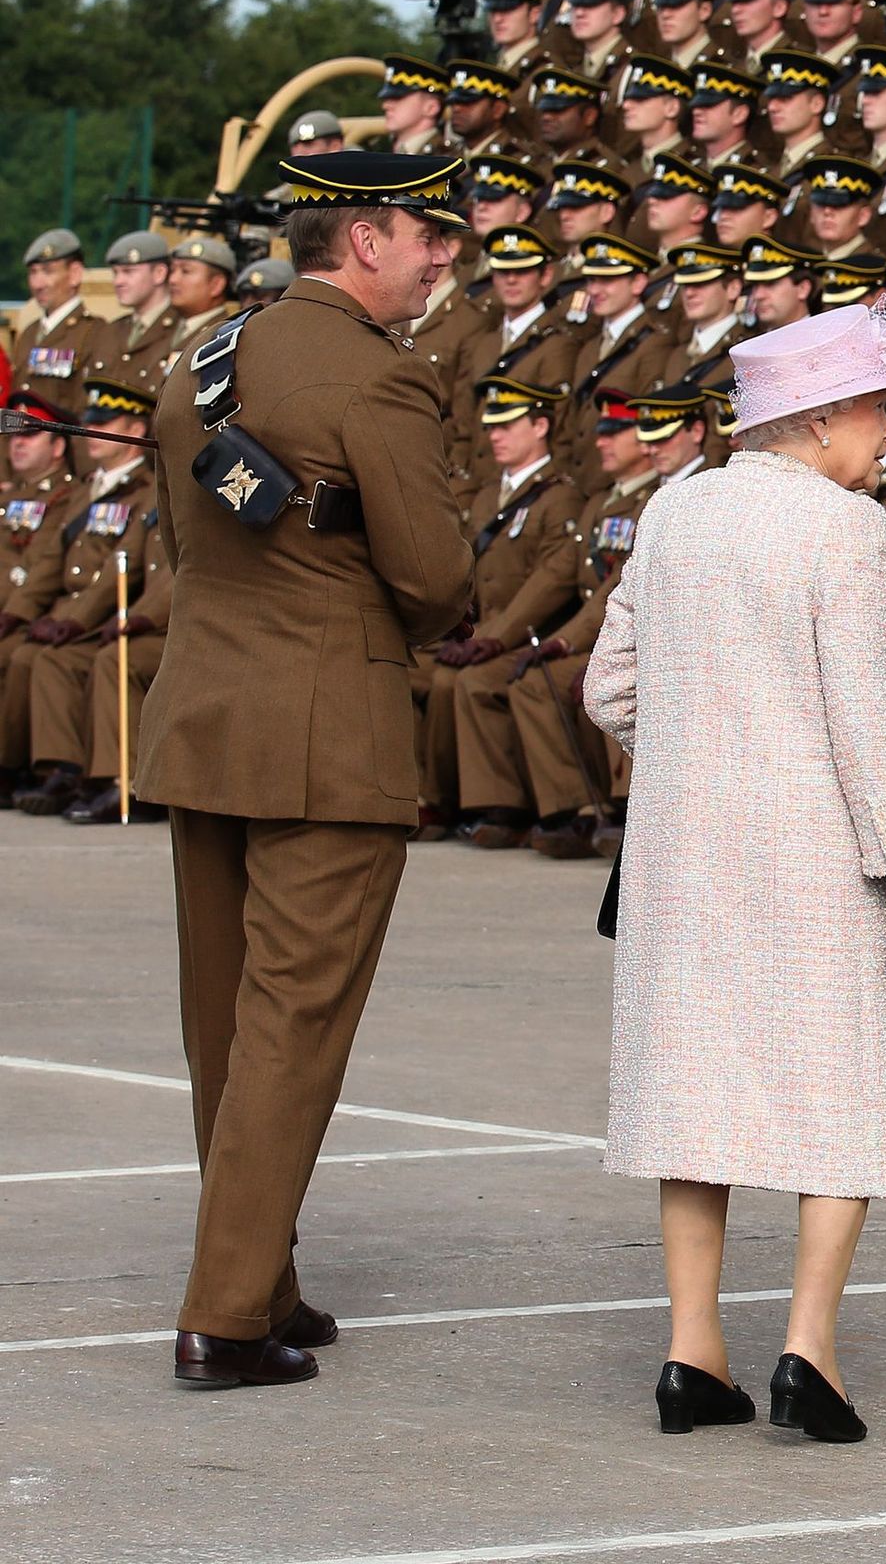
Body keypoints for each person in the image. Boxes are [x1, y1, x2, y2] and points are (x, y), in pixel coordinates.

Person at [134, 152, 474, 1389]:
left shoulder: (209, 354)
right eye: (427, 234)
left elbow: (187, 535)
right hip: (329, 738)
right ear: (365, 240)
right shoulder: (383, 382)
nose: (445, 256)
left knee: (223, 1023)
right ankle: (223, 1317)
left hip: (208, 717)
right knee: (294, 1028)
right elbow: (436, 585)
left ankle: (261, 1279)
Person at [583, 301, 886, 1445]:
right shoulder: (844, 529)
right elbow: (870, 719)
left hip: (681, 852)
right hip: (812, 851)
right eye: (881, 409)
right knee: (837, 1094)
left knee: (696, 1096)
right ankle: (809, 1354)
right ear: (822, 413)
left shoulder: (674, 507)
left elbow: (608, 692)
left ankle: (693, 1355)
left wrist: (691, 753)